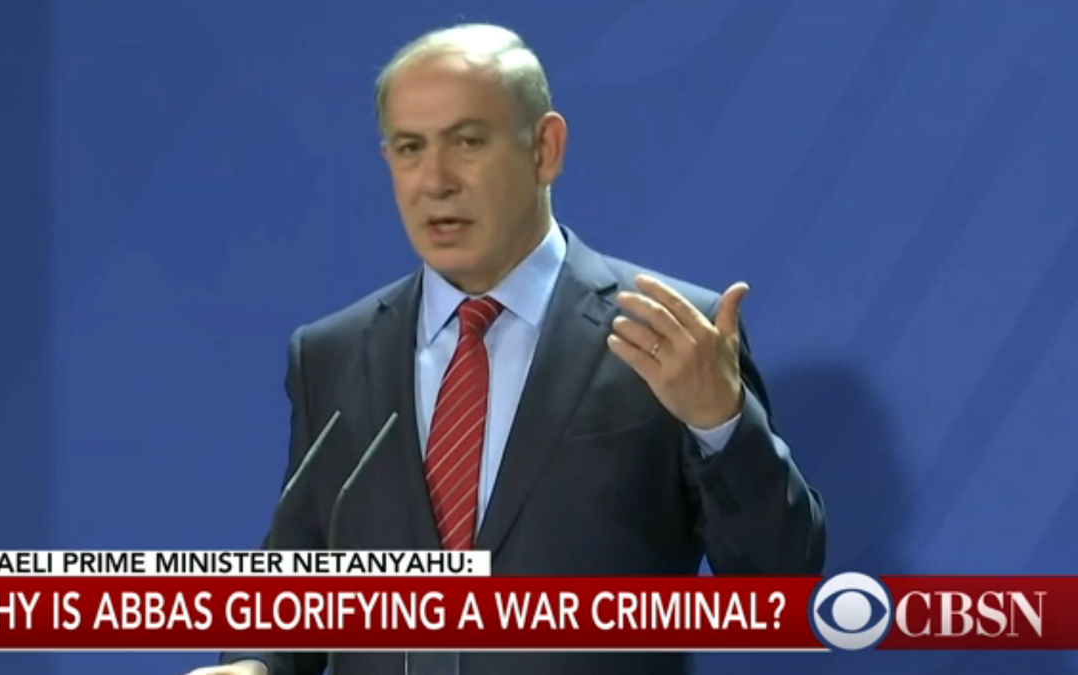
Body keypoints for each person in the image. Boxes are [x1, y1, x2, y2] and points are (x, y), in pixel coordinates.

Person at [188, 22, 826, 675]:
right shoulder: (334, 353)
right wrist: (251, 663)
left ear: (545, 150)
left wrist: (720, 423)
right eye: (409, 148)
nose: (434, 180)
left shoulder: (668, 332)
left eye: (467, 141)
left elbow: (779, 585)